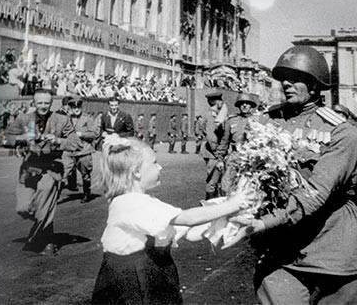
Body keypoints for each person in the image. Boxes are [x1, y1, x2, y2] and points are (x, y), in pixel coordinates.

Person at [234, 46, 357, 304]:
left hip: (333, 241)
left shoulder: (340, 132)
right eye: (283, 78)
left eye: (295, 78)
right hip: (281, 245)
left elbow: (316, 193)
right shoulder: (264, 122)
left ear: (314, 85)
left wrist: (263, 223)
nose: (286, 84)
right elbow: (241, 171)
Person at [90, 136, 252, 305]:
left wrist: (222, 218)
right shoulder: (128, 203)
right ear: (136, 172)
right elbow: (188, 219)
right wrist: (232, 205)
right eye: (154, 162)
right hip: (128, 279)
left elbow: (189, 232)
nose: (160, 166)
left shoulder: (147, 202)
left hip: (152, 272)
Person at [7, 89, 75, 254]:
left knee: (44, 202)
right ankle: (43, 222)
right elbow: (8, 137)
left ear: (51, 103)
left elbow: (76, 143)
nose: (43, 106)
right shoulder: (24, 118)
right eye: (40, 103)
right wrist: (22, 139)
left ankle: (45, 241)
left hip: (50, 168)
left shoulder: (62, 119)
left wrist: (58, 140)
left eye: (46, 103)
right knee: (22, 208)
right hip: (29, 168)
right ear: (34, 103)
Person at [220, 92, 263, 194]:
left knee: (249, 188)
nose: (244, 105)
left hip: (252, 159)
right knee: (226, 186)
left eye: (247, 103)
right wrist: (220, 159)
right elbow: (224, 141)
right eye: (241, 103)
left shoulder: (258, 121)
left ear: (251, 106)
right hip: (235, 158)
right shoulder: (231, 121)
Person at [67, 97, 99, 203]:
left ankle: (86, 194)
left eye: (78, 107)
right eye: (74, 107)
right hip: (71, 151)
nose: (76, 109)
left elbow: (94, 134)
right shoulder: (67, 118)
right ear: (71, 108)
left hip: (84, 151)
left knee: (85, 174)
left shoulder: (87, 119)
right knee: (65, 172)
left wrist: (82, 134)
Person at [200, 91, 227, 200]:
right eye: (219, 100)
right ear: (213, 102)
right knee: (213, 181)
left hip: (213, 153)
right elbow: (212, 138)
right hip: (213, 154)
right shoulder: (211, 116)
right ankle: (209, 207)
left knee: (216, 180)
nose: (221, 102)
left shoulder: (216, 114)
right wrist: (218, 154)